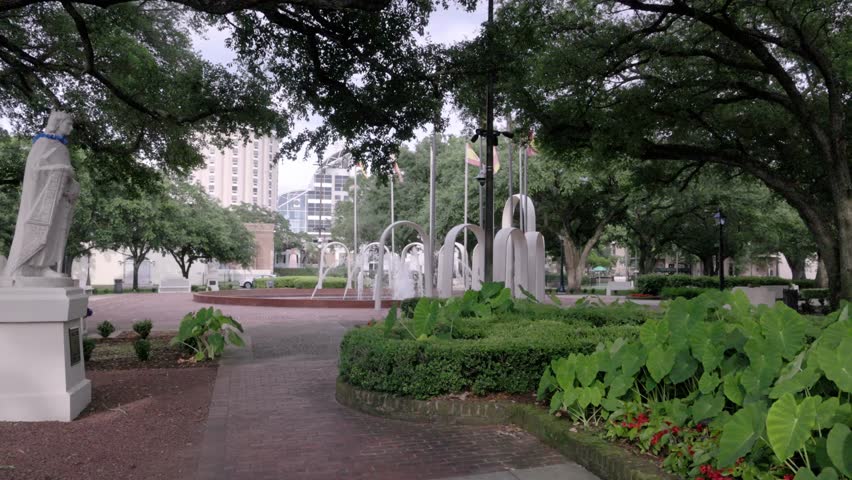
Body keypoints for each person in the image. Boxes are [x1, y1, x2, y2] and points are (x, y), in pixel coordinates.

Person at [2, 110, 79, 278]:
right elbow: (34, 171)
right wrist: (60, 169)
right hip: (40, 198)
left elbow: (66, 174)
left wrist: (71, 182)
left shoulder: (62, 147)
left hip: (57, 198)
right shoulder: (43, 143)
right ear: (58, 124)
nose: (71, 128)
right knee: (39, 229)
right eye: (68, 124)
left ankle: (43, 266)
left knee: (53, 231)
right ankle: (26, 266)